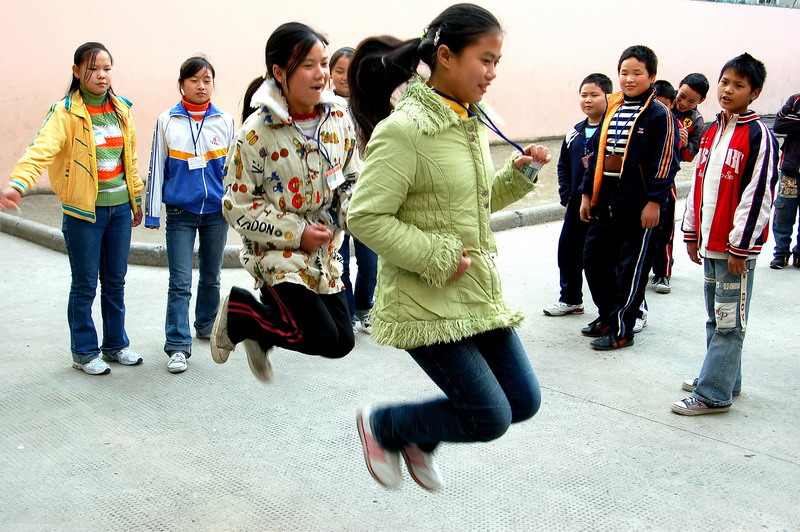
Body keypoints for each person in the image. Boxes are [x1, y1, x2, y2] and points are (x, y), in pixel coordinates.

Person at [347, 3, 547, 491]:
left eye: (498, 61)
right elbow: (365, 217)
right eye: (485, 59)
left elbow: (470, 207)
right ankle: (387, 426)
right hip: (424, 300)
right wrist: (434, 255)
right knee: (489, 416)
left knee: (523, 400)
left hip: (473, 290)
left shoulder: (468, 122)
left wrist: (519, 178)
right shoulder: (405, 129)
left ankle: (418, 437)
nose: (493, 72)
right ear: (445, 56)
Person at [209, 22, 360, 382]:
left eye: (323, 63)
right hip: (277, 251)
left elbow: (353, 180)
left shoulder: (339, 118)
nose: (321, 74)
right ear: (279, 72)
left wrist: (361, 219)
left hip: (324, 253)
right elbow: (236, 204)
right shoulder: (255, 132)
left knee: (342, 341)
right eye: (309, 65)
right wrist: (297, 232)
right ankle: (242, 311)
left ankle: (255, 327)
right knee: (322, 334)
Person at [0, 42, 144, 375]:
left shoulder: (122, 109)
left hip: (119, 210)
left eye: (107, 68)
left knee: (115, 282)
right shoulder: (65, 113)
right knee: (84, 284)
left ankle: (115, 345)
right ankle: (83, 351)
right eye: (93, 68)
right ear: (77, 72)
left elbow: (130, 159)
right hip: (84, 214)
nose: (101, 75)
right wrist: (18, 184)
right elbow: (40, 150)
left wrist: (134, 197)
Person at [673, 53, 778, 415]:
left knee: (729, 321)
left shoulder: (758, 135)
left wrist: (740, 247)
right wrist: (690, 233)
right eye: (724, 81)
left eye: (738, 85)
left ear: (755, 92)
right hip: (710, 244)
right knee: (716, 316)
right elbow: (698, 185)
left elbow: (760, 194)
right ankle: (723, 377)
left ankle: (712, 394)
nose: (728, 90)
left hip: (735, 249)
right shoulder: (712, 132)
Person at [579, 45, 680, 350]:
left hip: (639, 204)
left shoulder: (658, 113)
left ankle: (623, 329)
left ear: (652, 76)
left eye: (637, 73)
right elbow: (596, 153)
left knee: (631, 269)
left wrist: (654, 201)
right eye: (624, 72)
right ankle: (608, 316)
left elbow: (666, 160)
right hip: (606, 199)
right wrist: (587, 193)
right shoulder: (612, 106)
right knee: (594, 259)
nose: (629, 79)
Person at [145, 56, 236, 374]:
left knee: (212, 278)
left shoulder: (224, 121)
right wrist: (152, 211)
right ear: (182, 83)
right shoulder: (166, 121)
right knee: (180, 281)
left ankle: (205, 326)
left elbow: (234, 171)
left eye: (207, 79)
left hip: (215, 214)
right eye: (195, 79)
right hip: (181, 213)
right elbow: (157, 165)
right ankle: (177, 346)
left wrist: (234, 207)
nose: (201, 85)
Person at [543, 73, 612, 317]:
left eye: (594, 95)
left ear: (608, 97)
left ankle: (624, 309)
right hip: (576, 204)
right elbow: (563, 165)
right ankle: (571, 299)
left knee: (603, 259)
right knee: (568, 250)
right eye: (584, 95)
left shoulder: (612, 131)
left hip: (603, 207)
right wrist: (566, 195)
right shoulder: (575, 132)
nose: (588, 100)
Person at [329, 46, 378, 332]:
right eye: (338, 71)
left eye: (350, 71)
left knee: (370, 258)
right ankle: (345, 311)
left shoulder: (369, 105)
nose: (344, 77)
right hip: (334, 193)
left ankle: (364, 306)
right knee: (340, 258)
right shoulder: (323, 107)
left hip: (367, 191)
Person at [651, 73, 710, 293]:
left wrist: (683, 144)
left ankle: (663, 273)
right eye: (682, 96)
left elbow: (689, 156)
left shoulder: (695, 121)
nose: (683, 103)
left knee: (665, 229)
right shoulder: (663, 103)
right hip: (642, 177)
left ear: (700, 101)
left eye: (691, 101)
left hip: (666, 179)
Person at [769, 91, 800, 269]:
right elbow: (780, 124)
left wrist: (794, 122)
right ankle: (781, 253)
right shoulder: (796, 100)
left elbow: (788, 124)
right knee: (783, 212)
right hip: (791, 169)